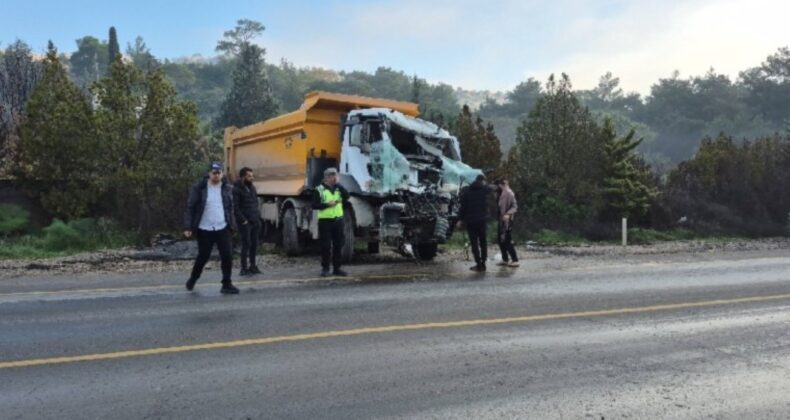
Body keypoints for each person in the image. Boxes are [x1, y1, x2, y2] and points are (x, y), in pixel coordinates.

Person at [183, 162, 239, 294]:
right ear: (209, 174)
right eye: (214, 173)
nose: (217, 175)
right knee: (203, 256)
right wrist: (188, 226)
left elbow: (231, 208)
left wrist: (233, 225)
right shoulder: (200, 187)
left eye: (219, 173)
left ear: (222, 174)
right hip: (205, 227)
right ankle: (193, 278)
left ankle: (226, 283)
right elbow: (190, 207)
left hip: (222, 226)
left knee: (227, 255)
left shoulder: (227, 188)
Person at [312, 167, 350, 277]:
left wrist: (340, 186)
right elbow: (314, 205)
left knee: (339, 244)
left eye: (336, 176)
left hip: (338, 220)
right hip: (325, 221)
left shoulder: (338, 188)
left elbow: (347, 197)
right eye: (333, 177)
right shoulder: (319, 190)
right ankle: (325, 268)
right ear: (327, 178)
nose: (335, 179)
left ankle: (337, 268)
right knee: (326, 246)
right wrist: (327, 205)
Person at [458, 174, 491, 272]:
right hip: (482, 220)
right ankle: (484, 263)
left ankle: (478, 264)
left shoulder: (467, 192)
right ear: (483, 181)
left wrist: (460, 220)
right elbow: (491, 189)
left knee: (474, 243)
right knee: (483, 242)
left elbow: (462, 208)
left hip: (471, 221)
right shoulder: (485, 191)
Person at [234, 167, 262, 276]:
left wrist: (257, 218)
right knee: (246, 244)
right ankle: (243, 268)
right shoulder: (237, 189)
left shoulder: (252, 188)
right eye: (249, 176)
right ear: (243, 177)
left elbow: (255, 203)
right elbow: (235, 207)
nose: (252, 178)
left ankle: (253, 266)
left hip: (254, 220)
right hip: (245, 222)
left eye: (252, 176)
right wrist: (243, 220)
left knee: (254, 244)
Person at [495, 178, 519, 267]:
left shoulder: (509, 193)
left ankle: (515, 260)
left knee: (507, 240)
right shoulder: (500, 193)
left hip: (507, 221)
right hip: (501, 220)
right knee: (500, 240)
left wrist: (508, 214)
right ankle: (505, 259)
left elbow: (515, 206)